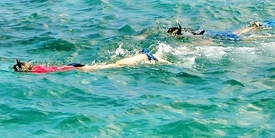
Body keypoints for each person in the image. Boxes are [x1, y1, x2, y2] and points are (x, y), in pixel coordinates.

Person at [13, 48, 168, 73]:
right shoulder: (37, 68)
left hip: (76, 68)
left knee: (116, 66)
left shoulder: (37, 72)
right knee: (113, 65)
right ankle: (144, 56)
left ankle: (144, 56)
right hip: (72, 66)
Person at [167, 19, 275, 40]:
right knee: (235, 33)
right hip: (214, 33)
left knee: (245, 39)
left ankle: (272, 37)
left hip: (215, 36)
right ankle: (255, 26)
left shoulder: (188, 36)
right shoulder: (190, 31)